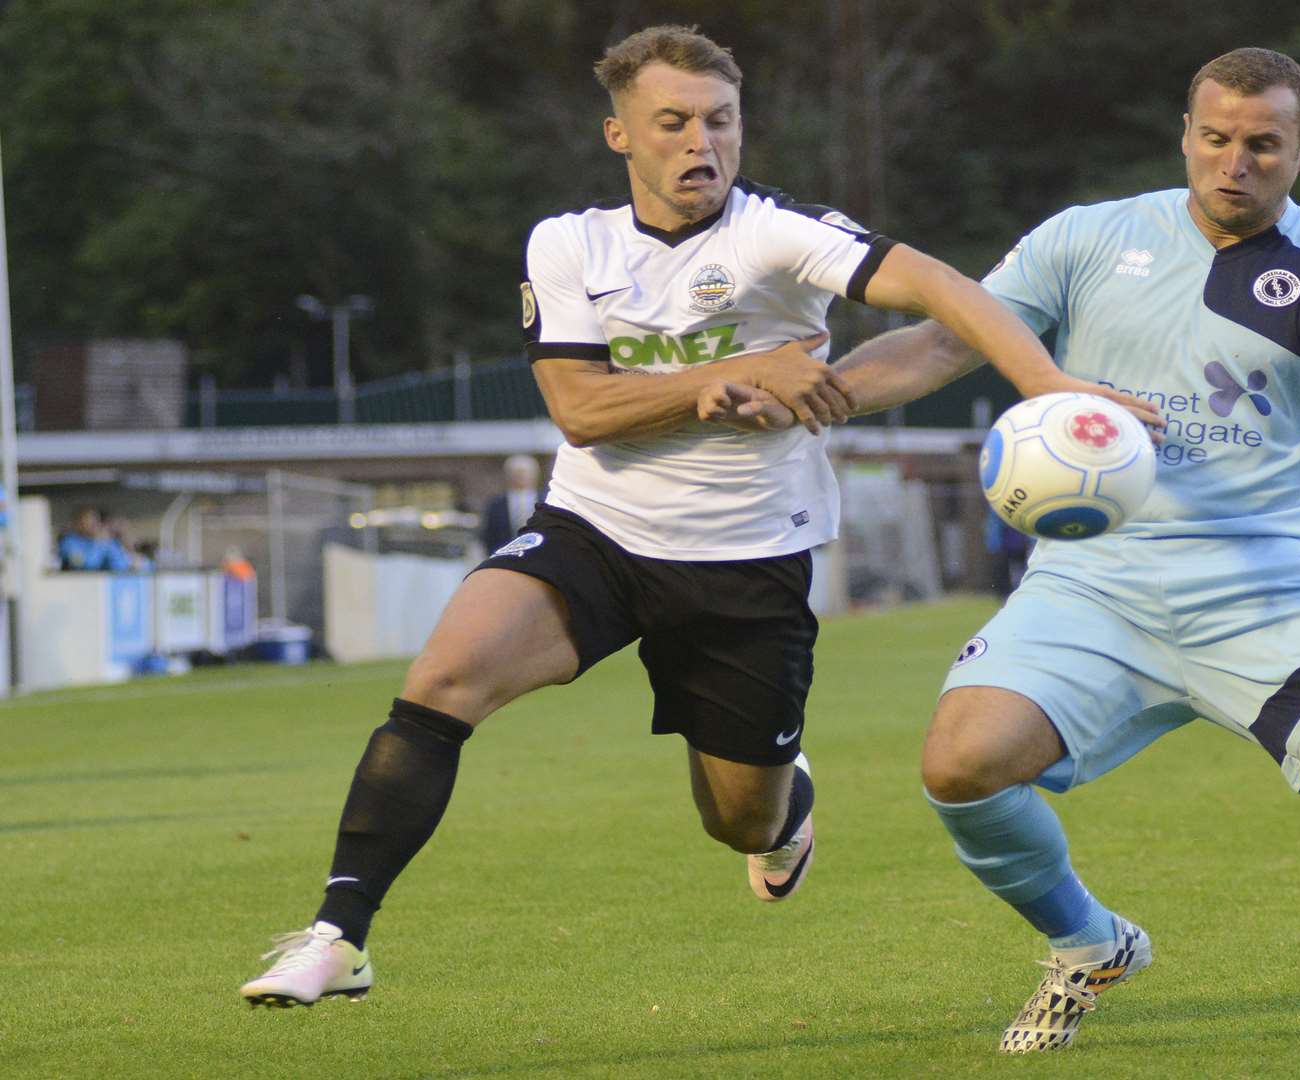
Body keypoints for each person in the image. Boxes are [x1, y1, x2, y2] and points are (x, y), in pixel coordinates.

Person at [239, 25, 1148, 1009]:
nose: (699, 142)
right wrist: (730, 374)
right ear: (619, 134)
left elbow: (937, 288)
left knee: (739, 823)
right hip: (596, 535)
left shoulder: (775, 235)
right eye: (671, 122)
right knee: (442, 681)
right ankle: (340, 936)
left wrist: (1045, 382)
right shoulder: (569, 245)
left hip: (747, 564)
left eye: (720, 120)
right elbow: (583, 412)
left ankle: (787, 809)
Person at [825, 47, 1300, 1054]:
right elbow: (942, 343)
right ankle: (1089, 945)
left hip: (1264, 582)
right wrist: (821, 390)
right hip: (1094, 581)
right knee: (962, 765)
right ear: (1186, 135)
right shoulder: (1087, 239)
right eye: (1215, 139)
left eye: (1262, 145)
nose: (1235, 163)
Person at [479, 454, 542, 554]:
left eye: (526, 472)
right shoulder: (496, 505)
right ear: (508, 475)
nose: (522, 477)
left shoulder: (548, 501)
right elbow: (488, 537)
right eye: (517, 473)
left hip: (541, 557)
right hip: (505, 559)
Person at [56, 506, 133, 572]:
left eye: (95, 520)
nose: (93, 524)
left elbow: (121, 566)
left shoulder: (107, 541)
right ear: (78, 523)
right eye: (88, 520)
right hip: (76, 584)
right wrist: (99, 544)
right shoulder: (69, 542)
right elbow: (86, 564)